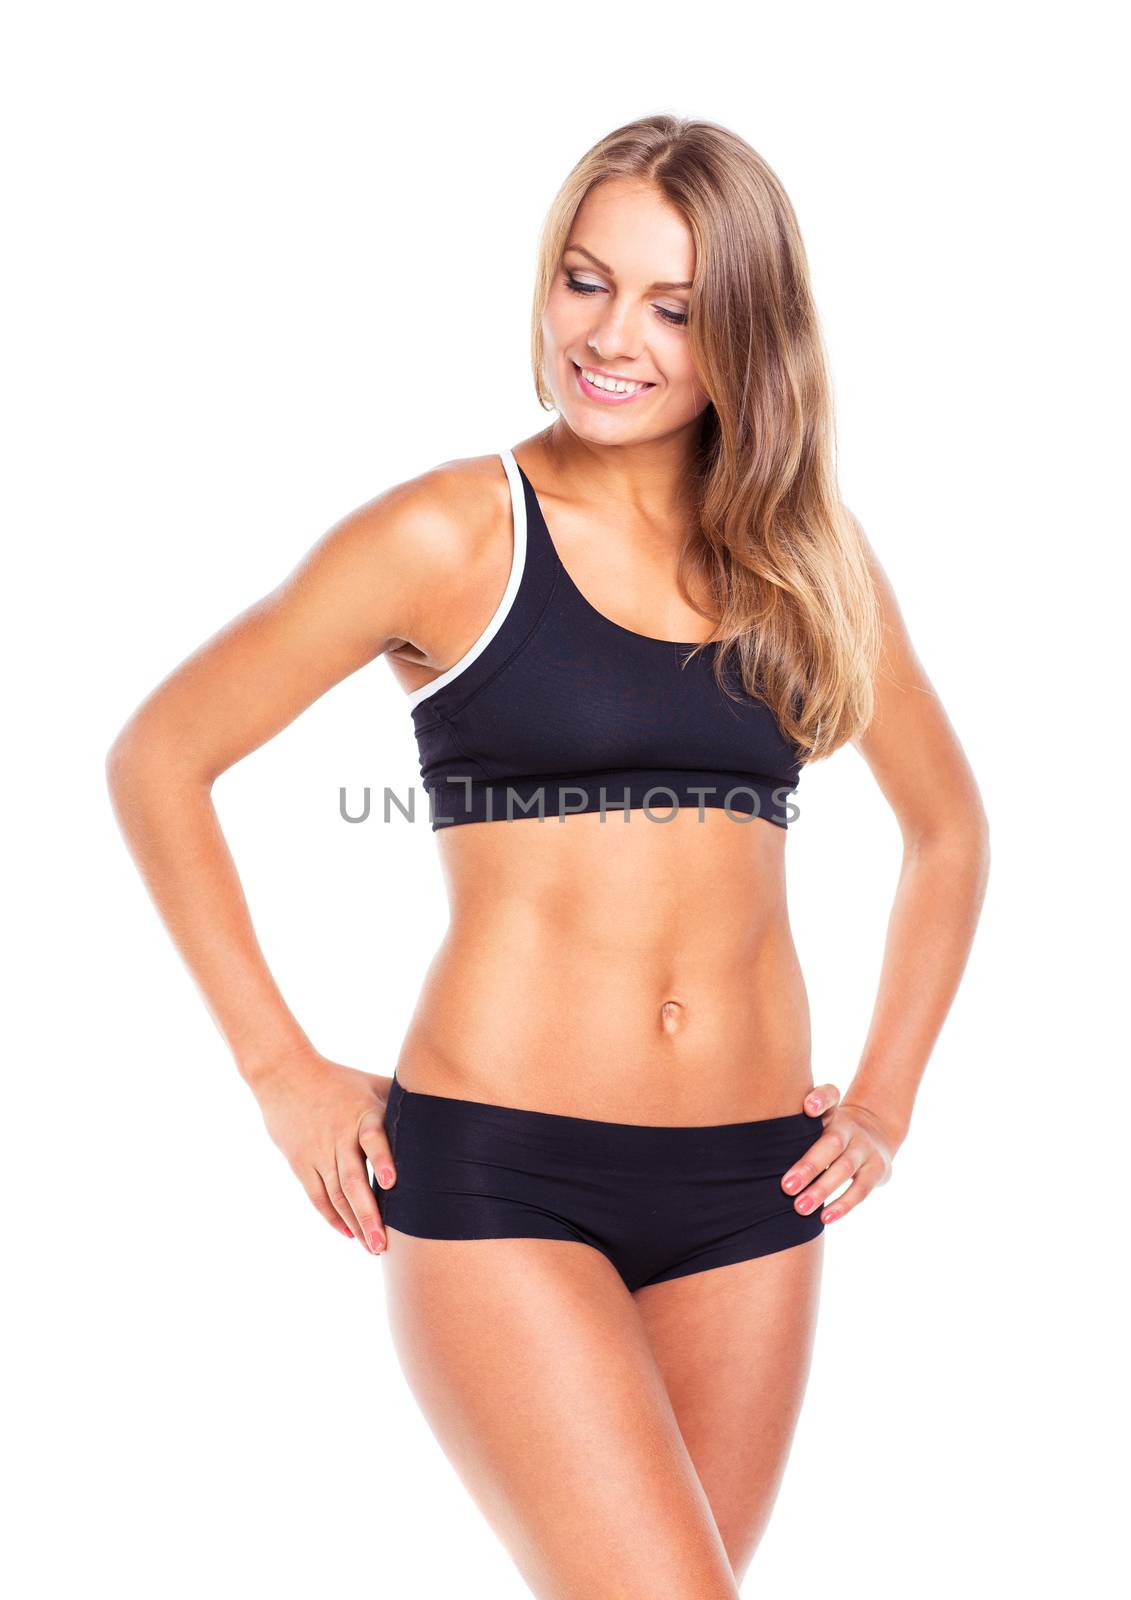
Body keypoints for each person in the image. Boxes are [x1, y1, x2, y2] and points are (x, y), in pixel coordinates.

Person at [106, 114, 990, 1598]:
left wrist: (887, 1099)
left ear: (749, 334)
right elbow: (159, 757)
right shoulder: (454, 531)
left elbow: (948, 829)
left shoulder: (803, 556)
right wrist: (280, 1072)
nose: (612, 337)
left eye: (674, 306)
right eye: (586, 281)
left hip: (754, 1198)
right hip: (505, 1178)